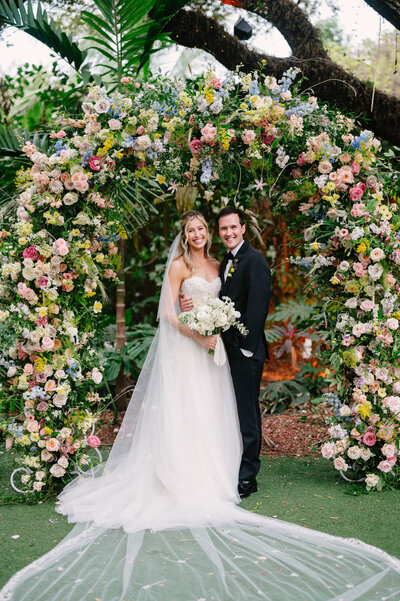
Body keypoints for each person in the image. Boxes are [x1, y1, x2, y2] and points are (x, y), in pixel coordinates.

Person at [1, 210, 400, 601]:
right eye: (193, 229)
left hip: (221, 353)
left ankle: (227, 472)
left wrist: (222, 334)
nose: (201, 234)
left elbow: (240, 304)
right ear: (186, 233)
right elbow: (167, 313)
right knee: (187, 412)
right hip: (192, 351)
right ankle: (187, 474)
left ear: (221, 231)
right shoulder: (180, 265)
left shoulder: (221, 261)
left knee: (217, 412)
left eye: (206, 228)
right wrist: (197, 333)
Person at [180, 207, 270, 499]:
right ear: (218, 232)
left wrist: (244, 348)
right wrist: (189, 310)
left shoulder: (254, 261)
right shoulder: (225, 262)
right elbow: (217, 302)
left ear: (243, 228)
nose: (229, 233)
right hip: (223, 348)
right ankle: (228, 467)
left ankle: (247, 477)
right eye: (223, 229)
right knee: (227, 410)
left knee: (247, 413)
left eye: (233, 227)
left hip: (245, 349)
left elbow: (257, 309)